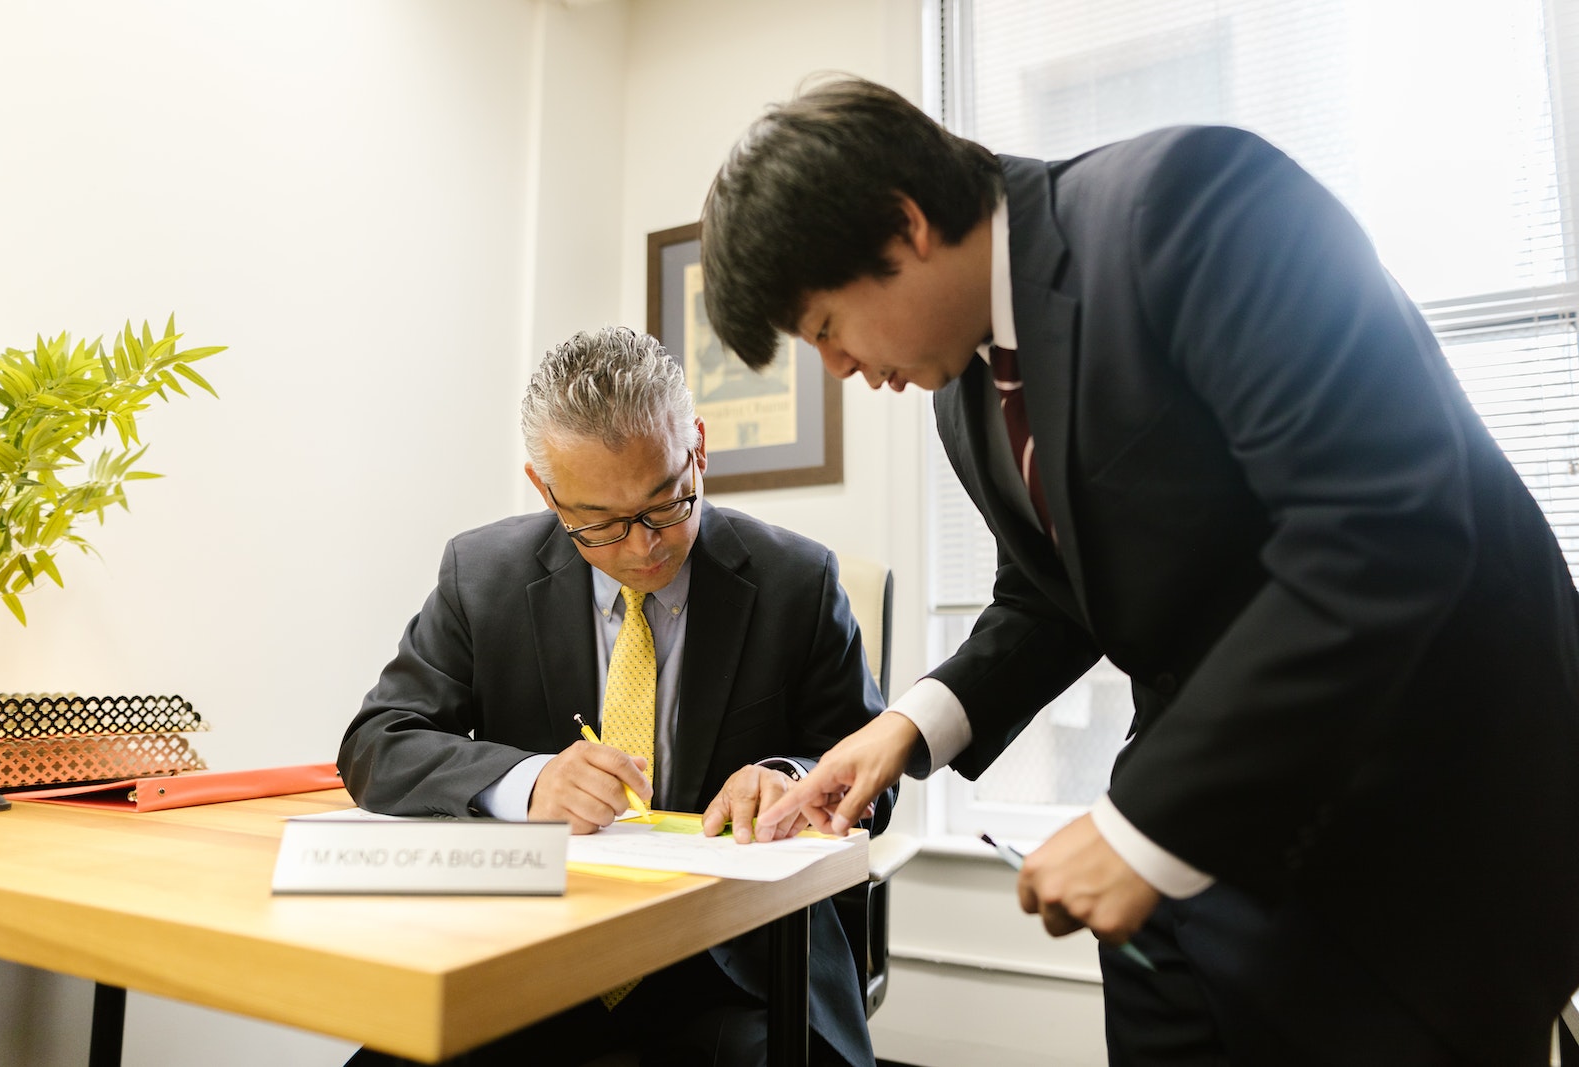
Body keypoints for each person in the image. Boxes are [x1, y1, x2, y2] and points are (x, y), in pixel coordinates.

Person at [697, 76, 1579, 1066]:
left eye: (825, 328)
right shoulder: (964, 397)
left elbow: (1380, 527)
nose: (844, 370)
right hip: (1195, 861)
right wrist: (906, 728)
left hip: (1417, 821)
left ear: (903, 227)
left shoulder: (1189, 206)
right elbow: (1044, 599)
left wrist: (1144, 823)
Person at [337, 325, 893, 1067]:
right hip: (538, 958)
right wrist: (529, 783)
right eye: (599, 523)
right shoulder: (482, 576)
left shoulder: (800, 581)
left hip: (736, 971)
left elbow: (870, 774)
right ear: (545, 489)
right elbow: (378, 742)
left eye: (667, 502)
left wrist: (793, 780)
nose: (644, 546)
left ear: (697, 446)